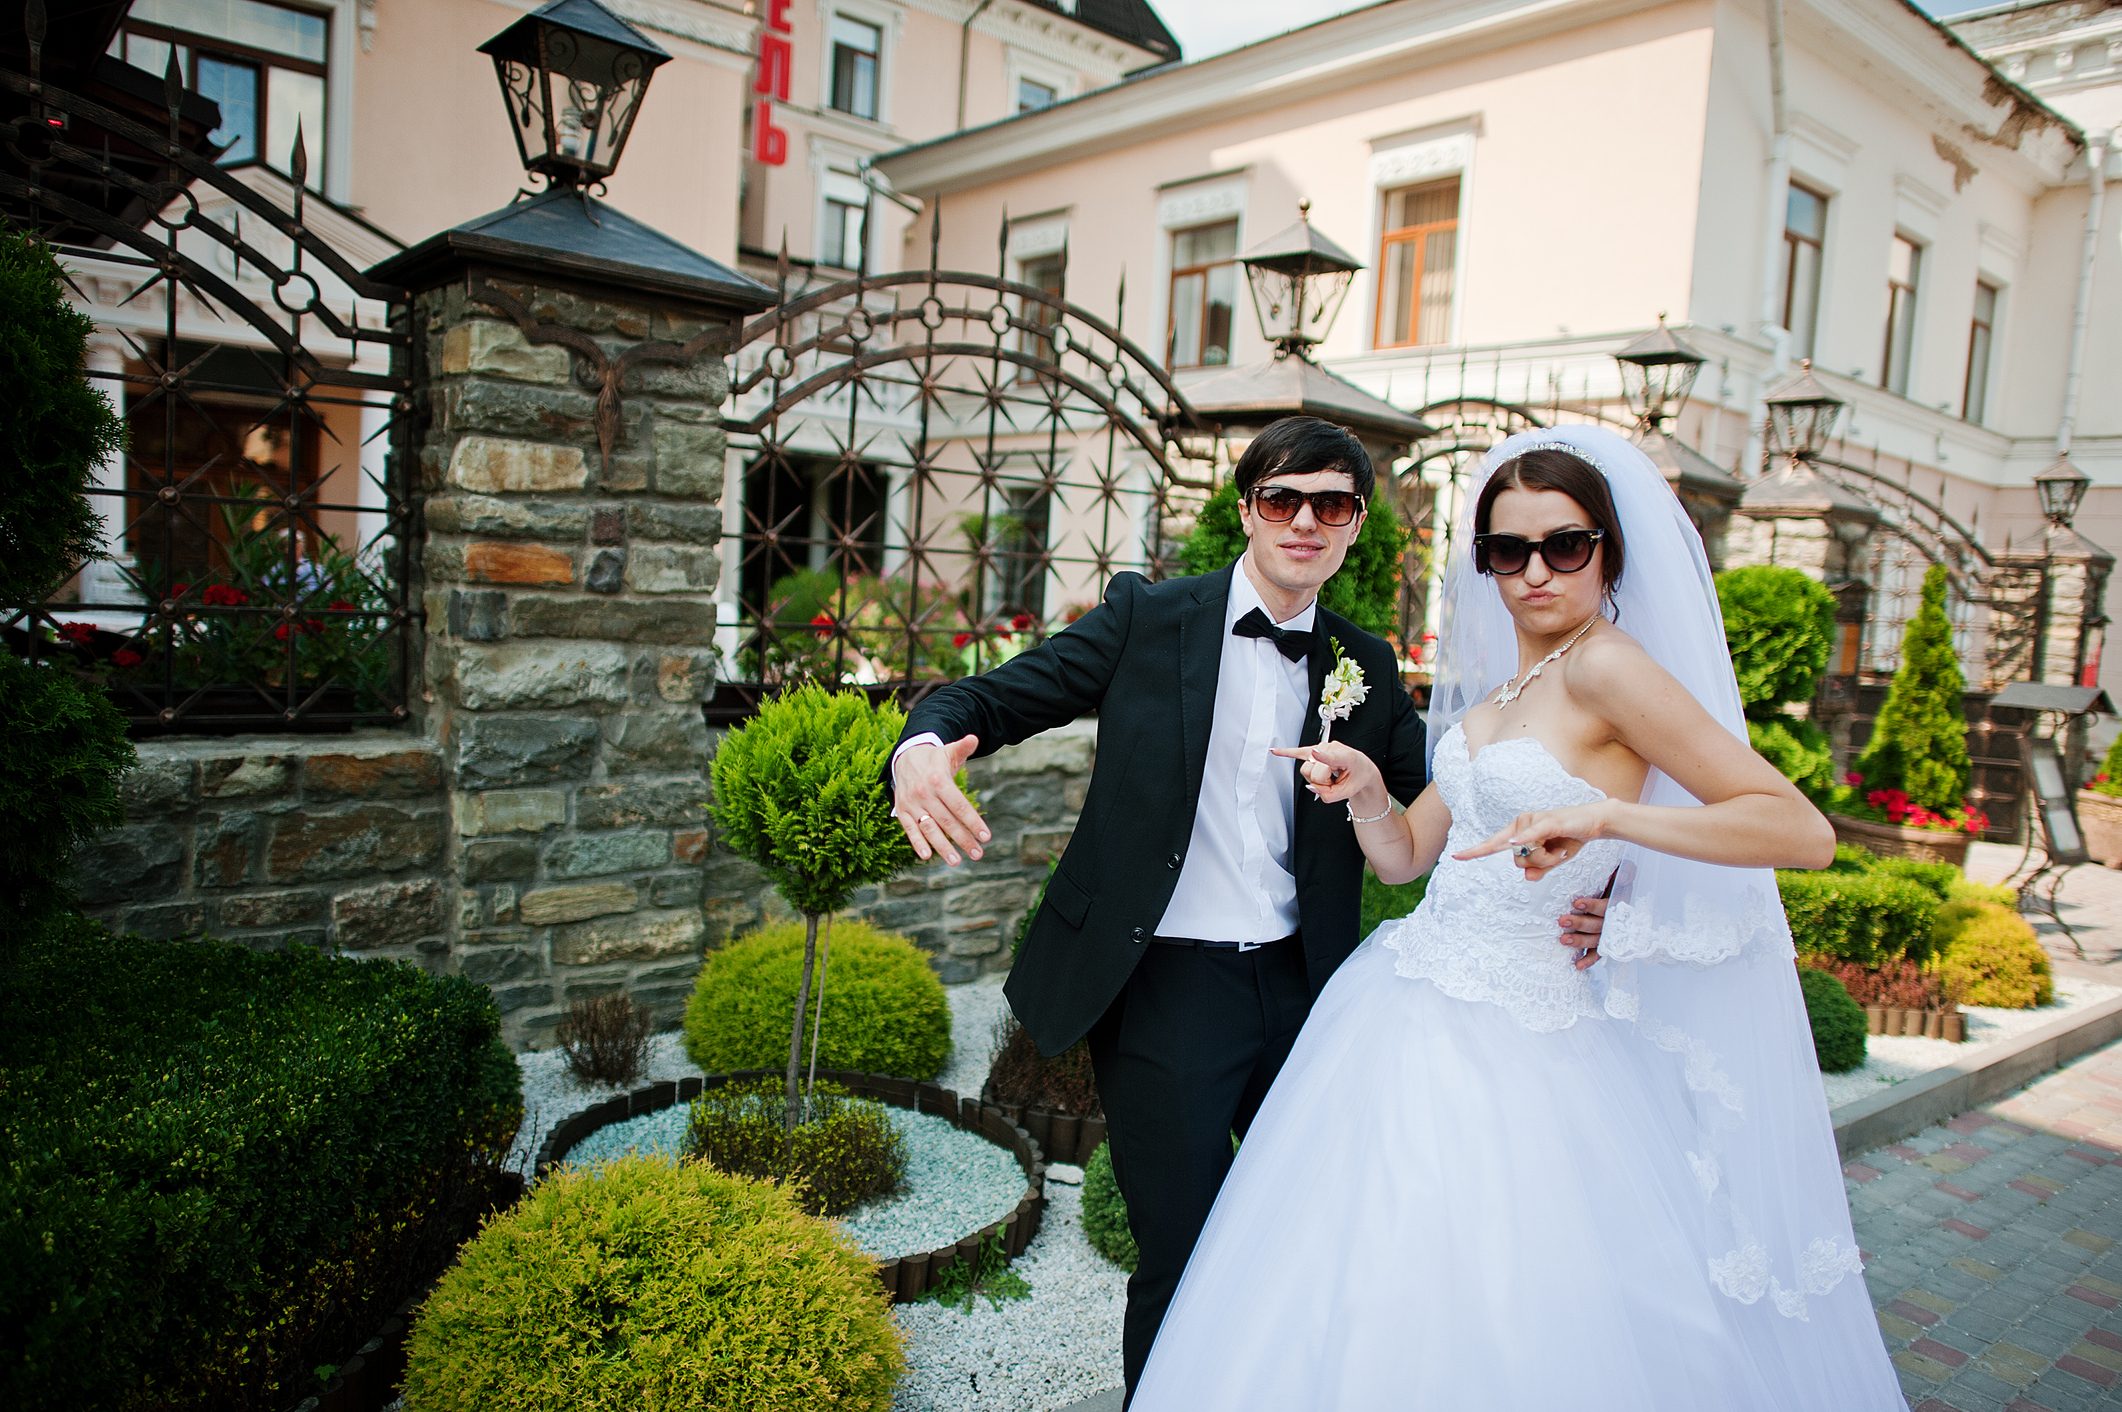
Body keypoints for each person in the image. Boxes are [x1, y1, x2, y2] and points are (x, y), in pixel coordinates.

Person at [1128, 425, 1907, 1411]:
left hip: (1525, 1041)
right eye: (1507, 550)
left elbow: (1799, 829)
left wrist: (1611, 816)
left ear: (1606, 550)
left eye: (1563, 544)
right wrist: (1369, 790)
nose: (1534, 571)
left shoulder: (1610, 670)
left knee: (1503, 1301)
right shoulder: (1507, 688)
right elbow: (1410, 856)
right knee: (1360, 1288)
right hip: (1402, 1007)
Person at [886, 416, 1612, 1404]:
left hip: (1313, 994)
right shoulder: (1149, 619)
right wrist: (921, 746)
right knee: (1182, 1256)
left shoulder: (1364, 664)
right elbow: (995, 697)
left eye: (1331, 505)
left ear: (1354, 525)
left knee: (1310, 1247)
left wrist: (1606, 885)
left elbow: (1465, 793)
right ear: (1247, 510)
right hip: (1165, 989)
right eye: (1283, 498)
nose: (1304, 520)